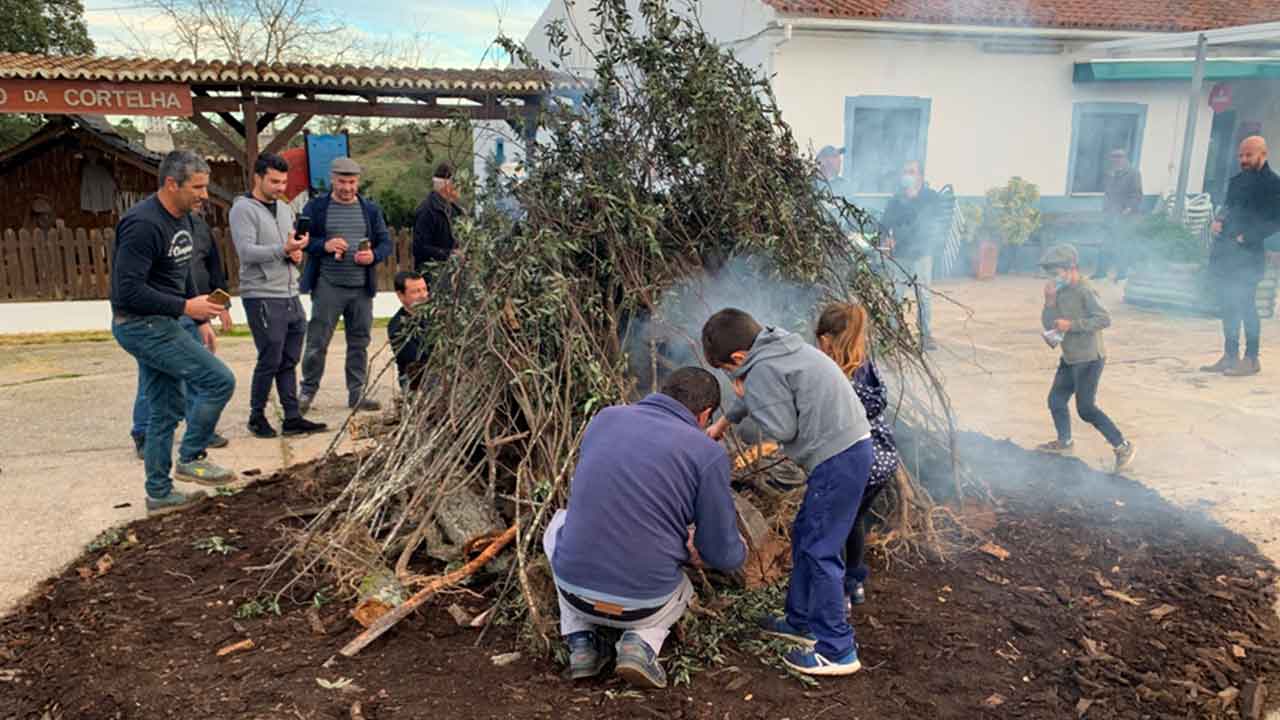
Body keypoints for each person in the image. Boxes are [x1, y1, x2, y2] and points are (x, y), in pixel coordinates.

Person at [544, 367, 746, 689]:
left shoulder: (605, 418)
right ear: (705, 414)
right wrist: (729, 549)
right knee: (683, 587)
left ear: (663, 392)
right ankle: (641, 644)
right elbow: (721, 555)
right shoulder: (707, 453)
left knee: (557, 525)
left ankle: (580, 641)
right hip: (643, 607)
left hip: (574, 592)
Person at [703, 308, 872, 676]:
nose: (731, 378)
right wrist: (722, 422)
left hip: (838, 457)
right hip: (850, 447)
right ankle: (800, 622)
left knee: (820, 549)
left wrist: (746, 391)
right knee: (806, 534)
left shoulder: (758, 371)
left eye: (727, 370)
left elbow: (782, 427)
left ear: (736, 359)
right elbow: (758, 390)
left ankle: (838, 650)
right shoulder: (775, 346)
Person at [110, 150, 236, 513]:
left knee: (164, 409)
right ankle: (192, 455)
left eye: (205, 187)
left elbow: (176, 276)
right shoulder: (143, 225)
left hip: (164, 321)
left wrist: (198, 320)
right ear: (171, 184)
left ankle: (160, 494)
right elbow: (127, 292)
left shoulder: (183, 218)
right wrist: (185, 308)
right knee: (218, 381)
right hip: (139, 325)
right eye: (197, 187)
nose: (204, 195)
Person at [230, 152, 328, 438]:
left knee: (289, 358)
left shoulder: (285, 210)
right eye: (274, 181)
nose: (280, 187)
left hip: (289, 291)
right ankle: (256, 415)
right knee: (270, 357)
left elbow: (286, 247)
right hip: (260, 293)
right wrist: (283, 251)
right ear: (257, 177)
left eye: (284, 181)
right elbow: (246, 253)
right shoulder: (243, 209)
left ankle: (292, 416)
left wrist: (296, 252)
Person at [814, 302, 900, 610]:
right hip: (884, 461)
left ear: (826, 339)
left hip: (858, 463)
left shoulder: (836, 376)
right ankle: (855, 583)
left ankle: (839, 595)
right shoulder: (863, 364)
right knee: (853, 521)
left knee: (834, 525)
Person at [129, 206, 233, 458]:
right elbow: (132, 284)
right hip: (158, 316)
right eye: (195, 188)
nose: (202, 197)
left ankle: (199, 429)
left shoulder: (199, 227)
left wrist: (219, 307)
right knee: (154, 378)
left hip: (193, 309)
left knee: (196, 374)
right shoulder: (150, 226)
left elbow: (212, 268)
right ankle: (143, 432)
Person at [299, 157, 393, 413]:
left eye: (352, 182)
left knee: (359, 341)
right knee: (317, 341)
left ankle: (356, 393)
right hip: (328, 284)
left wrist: (374, 256)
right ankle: (306, 392)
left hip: (361, 287)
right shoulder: (316, 207)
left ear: (358, 181)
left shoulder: (371, 210)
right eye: (342, 181)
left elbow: (386, 243)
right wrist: (324, 246)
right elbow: (301, 240)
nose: (347, 187)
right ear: (332, 179)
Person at [1035, 244, 1136, 472]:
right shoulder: (1057, 292)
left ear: (1071, 268)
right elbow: (1048, 322)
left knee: (1086, 408)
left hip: (1089, 358)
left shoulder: (1085, 290)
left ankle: (1123, 445)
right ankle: (1064, 442)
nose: (1052, 278)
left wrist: (1072, 325)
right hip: (1070, 356)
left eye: (1056, 272)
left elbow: (1103, 319)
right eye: (1049, 273)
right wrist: (1049, 303)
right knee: (1056, 400)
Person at [1200, 136, 1280, 377]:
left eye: (1249, 155)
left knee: (1246, 306)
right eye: (1241, 156)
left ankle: (1251, 358)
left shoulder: (1273, 184)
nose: (1243, 160)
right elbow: (1228, 206)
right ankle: (1230, 355)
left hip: (1248, 255)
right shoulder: (1236, 181)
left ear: (1262, 155)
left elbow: (1276, 220)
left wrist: (1248, 237)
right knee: (1228, 305)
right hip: (1226, 253)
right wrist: (1219, 219)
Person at [879, 160, 941, 351]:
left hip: (921, 253)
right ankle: (893, 332)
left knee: (923, 295)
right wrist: (885, 239)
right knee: (895, 295)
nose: (907, 176)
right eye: (905, 172)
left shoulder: (931, 198)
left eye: (911, 172)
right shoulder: (896, 199)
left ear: (920, 176)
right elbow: (883, 224)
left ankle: (925, 334)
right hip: (900, 255)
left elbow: (930, 225)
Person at [1093, 149, 1143, 281]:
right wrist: (1105, 210)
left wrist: (1129, 208)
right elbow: (1108, 194)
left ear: (1125, 159)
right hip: (1111, 215)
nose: (1116, 160)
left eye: (1119, 158)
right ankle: (1100, 273)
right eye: (1114, 158)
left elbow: (1137, 194)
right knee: (1105, 244)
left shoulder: (1133, 173)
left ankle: (1121, 275)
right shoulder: (1111, 174)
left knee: (1121, 245)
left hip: (1126, 216)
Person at [412, 162, 463, 273]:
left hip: (452, 275)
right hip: (433, 276)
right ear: (447, 186)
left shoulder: (455, 210)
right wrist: (451, 254)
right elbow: (420, 248)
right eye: (458, 184)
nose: (461, 188)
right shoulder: (427, 211)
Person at [387, 270, 432, 392]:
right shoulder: (397, 326)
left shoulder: (434, 315)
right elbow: (418, 359)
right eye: (416, 291)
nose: (423, 295)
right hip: (416, 379)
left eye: (424, 289)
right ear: (400, 295)